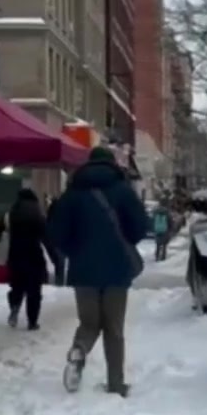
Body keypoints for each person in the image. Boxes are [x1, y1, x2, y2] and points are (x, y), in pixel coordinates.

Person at [49, 145, 150, 395]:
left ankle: (79, 350)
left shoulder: (72, 194)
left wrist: (74, 251)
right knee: (113, 328)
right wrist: (123, 241)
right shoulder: (123, 190)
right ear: (111, 164)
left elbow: (55, 232)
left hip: (83, 271)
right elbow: (140, 227)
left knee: (89, 322)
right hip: (117, 269)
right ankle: (115, 384)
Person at [0, 188, 52, 330]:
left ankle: (14, 306)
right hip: (34, 256)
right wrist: (54, 257)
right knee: (34, 291)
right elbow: (46, 238)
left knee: (17, 286)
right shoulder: (38, 215)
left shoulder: (10, 214)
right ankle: (32, 322)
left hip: (16, 255)